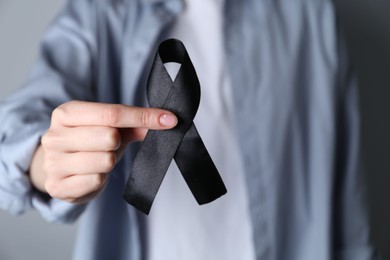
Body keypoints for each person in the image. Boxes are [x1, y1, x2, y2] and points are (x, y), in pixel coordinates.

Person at [0, 0, 379, 259]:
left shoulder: (309, 17)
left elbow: (348, 210)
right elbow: (22, 125)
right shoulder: (100, 13)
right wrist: (44, 161)